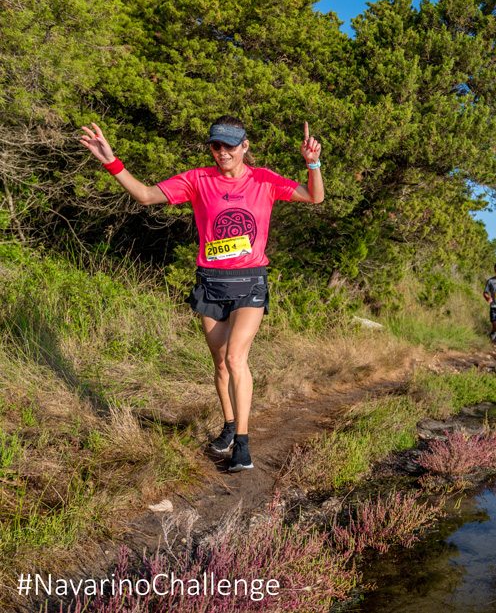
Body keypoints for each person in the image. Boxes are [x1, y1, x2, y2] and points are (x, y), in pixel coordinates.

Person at [80, 116, 324, 472]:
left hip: (250, 281)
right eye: (216, 145)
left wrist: (312, 163)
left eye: (229, 145)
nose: (222, 152)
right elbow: (146, 196)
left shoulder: (263, 180)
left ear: (245, 146)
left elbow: (314, 197)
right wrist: (110, 162)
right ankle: (228, 425)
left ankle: (242, 443)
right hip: (211, 281)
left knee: (237, 358)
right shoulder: (197, 180)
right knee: (221, 362)